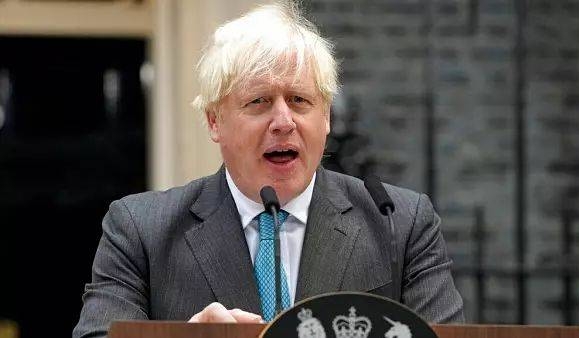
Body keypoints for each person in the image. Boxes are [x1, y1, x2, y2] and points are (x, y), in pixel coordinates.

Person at [73, 2, 464, 337]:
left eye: (299, 100)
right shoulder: (140, 230)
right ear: (214, 121)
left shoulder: (401, 224)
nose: (283, 121)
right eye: (258, 101)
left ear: (325, 115)